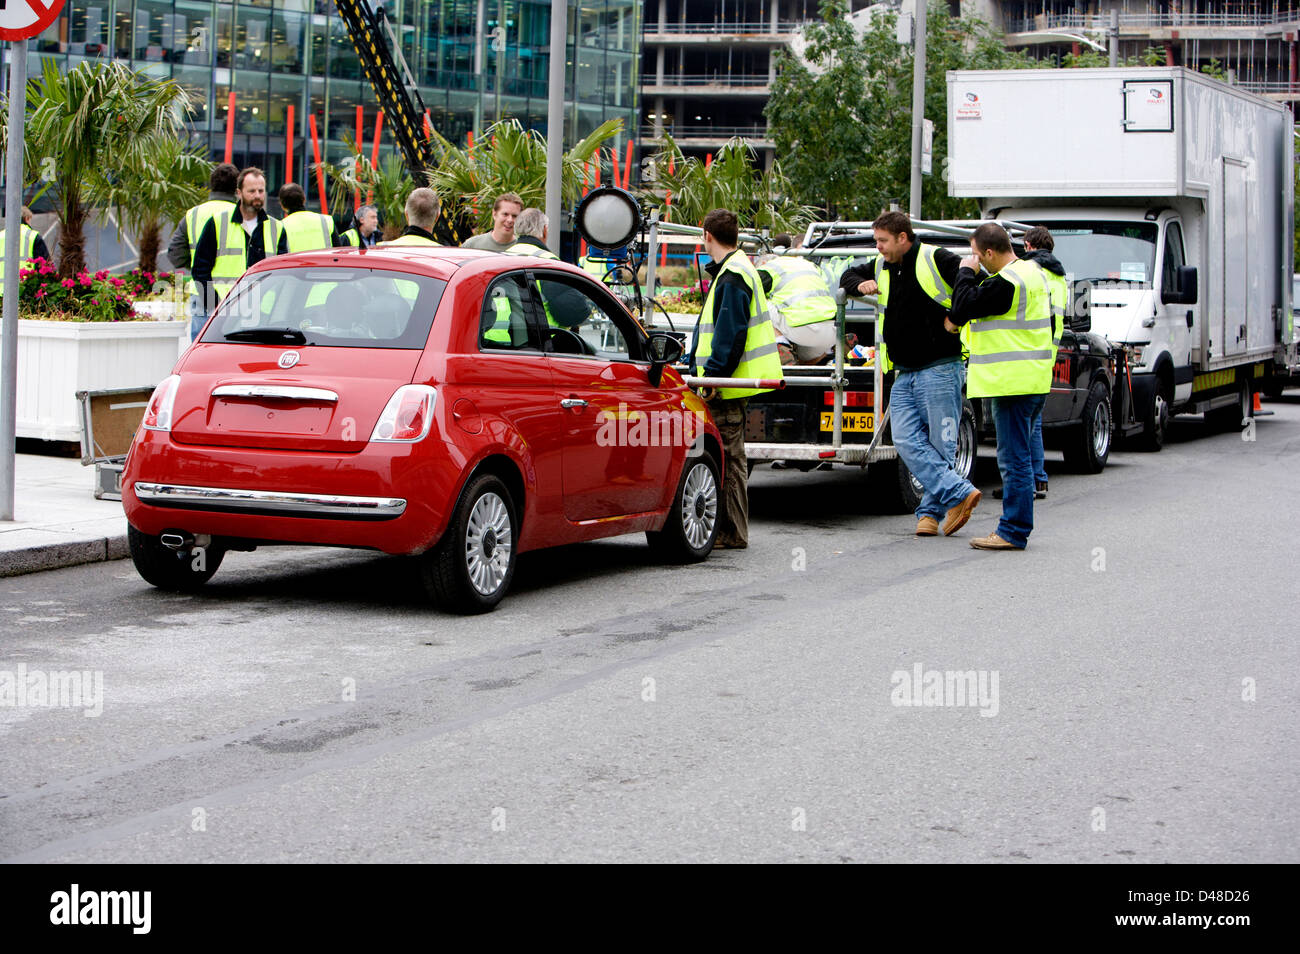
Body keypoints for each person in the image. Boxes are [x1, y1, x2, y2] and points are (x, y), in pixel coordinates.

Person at [840, 212, 981, 538]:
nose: (878, 247)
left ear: (903, 238)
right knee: (904, 440)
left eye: (883, 241)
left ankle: (929, 514)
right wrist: (858, 284)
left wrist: (956, 317)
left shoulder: (936, 258)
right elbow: (847, 275)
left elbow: (973, 282)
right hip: (904, 372)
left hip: (940, 369)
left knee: (940, 444)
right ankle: (959, 492)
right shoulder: (880, 264)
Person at [947, 223, 1055, 551]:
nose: (975, 260)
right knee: (1018, 456)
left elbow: (963, 307)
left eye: (978, 255)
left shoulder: (1007, 283)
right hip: (1031, 378)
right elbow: (986, 299)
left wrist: (966, 273)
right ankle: (1014, 528)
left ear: (990, 253)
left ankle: (1012, 531)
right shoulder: (1028, 272)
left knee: (1013, 460)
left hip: (1012, 383)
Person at [687, 208, 784, 550]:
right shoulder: (739, 268)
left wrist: (711, 378)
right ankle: (732, 530)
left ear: (707, 235)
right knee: (730, 458)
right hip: (732, 385)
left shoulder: (732, 275)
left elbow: (729, 335)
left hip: (725, 388)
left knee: (727, 460)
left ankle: (732, 532)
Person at [190, 166, 283, 339]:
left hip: (262, 314)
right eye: (252, 191)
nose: (257, 196)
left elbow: (284, 274)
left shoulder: (276, 228)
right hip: (222, 311)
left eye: (261, 191)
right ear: (239, 193)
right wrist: (214, 305)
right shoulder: (218, 223)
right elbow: (200, 268)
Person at [757, 232, 837, 365]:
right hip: (831, 331)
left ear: (764, 263)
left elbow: (744, 291)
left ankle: (781, 346)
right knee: (803, 357)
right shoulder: (806, 264)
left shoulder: (768, 268)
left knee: (755, 300)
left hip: (801, 329)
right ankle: (828, 352)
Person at [167, 162, 237, 273]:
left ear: (211, 185)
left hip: (201, 287)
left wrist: (198, 264)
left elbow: (175, 255)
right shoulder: (245, 216)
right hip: (237, 288)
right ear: (236, 188)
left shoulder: (192, 215)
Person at [277, 183, 339, 253]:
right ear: (304, 199)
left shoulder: (279, 227)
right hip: (325, 264)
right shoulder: (326, 221)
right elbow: (340, 251)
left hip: (295, 264)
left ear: (282, 205)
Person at [0, 206, 51, 271]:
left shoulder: (1, 235)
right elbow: (44, 264)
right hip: (26, 280)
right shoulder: (32, 236)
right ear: (26, 218)